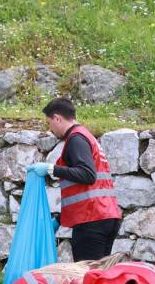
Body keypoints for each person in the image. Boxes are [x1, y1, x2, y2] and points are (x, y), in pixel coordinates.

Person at [26, 97, 122, 261]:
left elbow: (87, 175)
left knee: (87, 276)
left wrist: (51, 168)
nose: (50, 129)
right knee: (100, 276)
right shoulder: (86, 137)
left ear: (58, 118)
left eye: (49, 123)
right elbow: (84, 191)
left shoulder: (76, 139)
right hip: (104, 216)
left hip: (92, 221)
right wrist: (59, 220)